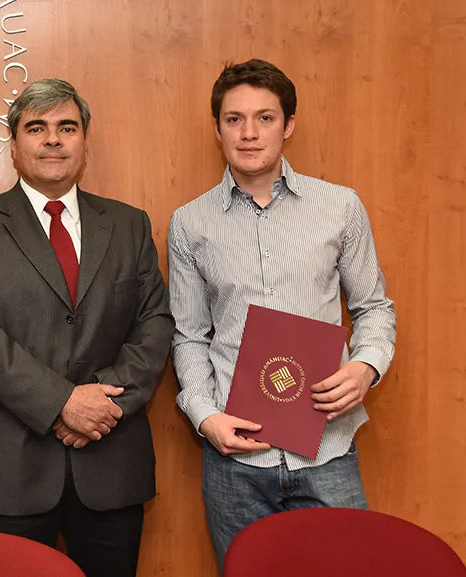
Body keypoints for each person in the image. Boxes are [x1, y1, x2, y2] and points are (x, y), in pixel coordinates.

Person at [0, 78, 174, 577]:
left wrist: (103, 406)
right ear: (14, 144)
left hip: (111, 463)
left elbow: (154, 322)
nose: (52, 139)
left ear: (84, 141)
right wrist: (63, 402)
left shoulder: (129, 225)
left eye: (66, 127)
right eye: (36, 128)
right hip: (9, 473)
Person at [168, 59, 397, 570]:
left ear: (288, 125)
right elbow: (188, 337)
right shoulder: (188, 224)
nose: (249, 133)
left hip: (328, 451)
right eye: (234, 119)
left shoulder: (340, 207)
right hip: (236, 463)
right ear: (218, 128)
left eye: (265, 118)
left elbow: (373, 307)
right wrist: (204, 416)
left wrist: (366, 367)